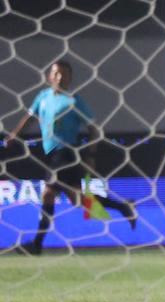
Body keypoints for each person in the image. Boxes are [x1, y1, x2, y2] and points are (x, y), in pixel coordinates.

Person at [4, 59, 137, 255]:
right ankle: (123, 207)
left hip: (67, 153)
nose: (60, 77)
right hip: (53, 153)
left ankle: (37, 244)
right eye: (56, 73)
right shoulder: (43, 97)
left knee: (48, 193)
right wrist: (14, 135)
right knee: (78, 200)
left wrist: (90, 154)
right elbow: (31, 117)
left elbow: (94, 129)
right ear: (49, 76)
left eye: (64, 74)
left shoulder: (73, 101)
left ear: (70, 79)